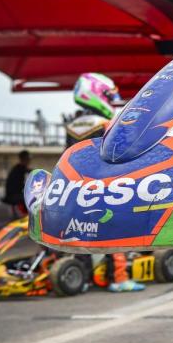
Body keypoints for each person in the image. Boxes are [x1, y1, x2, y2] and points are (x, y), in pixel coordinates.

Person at [66, 73, 143, 293]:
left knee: (78, 232)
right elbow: (117, 155)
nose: (111, 100)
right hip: (101, 187)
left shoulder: (72, 124)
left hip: (74, 187)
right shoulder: (106, 124)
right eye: (108, 95)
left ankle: (83, 275)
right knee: (116, 230)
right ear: (96, 94)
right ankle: (119, 278)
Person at [1, 149, 31, 217]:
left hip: (14, 195)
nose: (29, 161)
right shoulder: (20, 169)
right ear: (25, 159)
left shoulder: (18, 168)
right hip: (14, 196)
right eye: (28, 159)